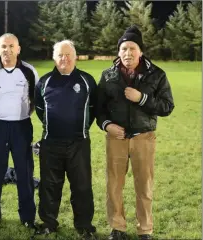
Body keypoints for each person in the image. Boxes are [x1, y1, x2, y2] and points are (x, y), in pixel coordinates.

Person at [96, 26, 175, 240]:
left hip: (143, 137)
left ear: (140, 51)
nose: (127, 53)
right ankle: (117, 228)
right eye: (123, 48)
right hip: (116, 138)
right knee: (114, 185)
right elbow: (98, 108)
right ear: (118, 51)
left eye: (132, 48)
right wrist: (106, 125)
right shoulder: (108, 75)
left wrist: (142, 98)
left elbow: (167, 106)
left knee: (144, 185)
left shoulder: (157, 74)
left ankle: (145, 230)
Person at [34, 40, 97, 240]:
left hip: (79, 143)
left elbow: (94, 109)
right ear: (54, 58)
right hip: (51, 143)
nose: (64, 59)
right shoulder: (44, 82)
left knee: (82, 186)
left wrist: (80, 128)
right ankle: (48, 223)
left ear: (75, 57)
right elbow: (39, 109)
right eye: (60, 55)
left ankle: (84, 225)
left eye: (68, 55)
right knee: (49, 186)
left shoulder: (87, 81)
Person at [0, 33, 39, 228]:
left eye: (12, 46)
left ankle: (28, 217)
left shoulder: (29, 71)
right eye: (4, 46)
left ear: (18, 49)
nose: (8, 50)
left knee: (25, 171)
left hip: (21, 126)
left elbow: (35, 100)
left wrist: (20, 116)